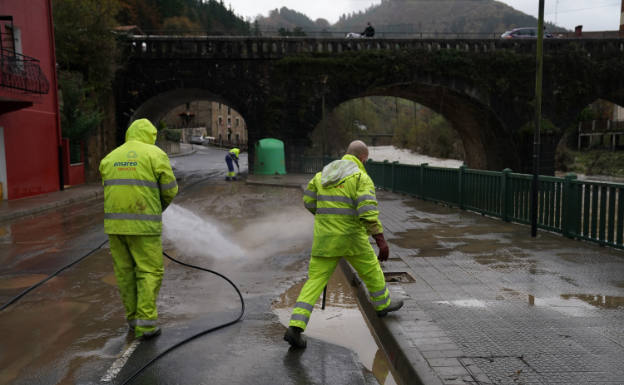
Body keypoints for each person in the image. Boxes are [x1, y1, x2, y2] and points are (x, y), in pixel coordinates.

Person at [284, 140, 403, 349]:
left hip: (325, 239)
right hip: (351, 238)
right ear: (363, 158)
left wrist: (325, 219)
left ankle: (295, 327)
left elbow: (309, 201)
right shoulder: (360, 177)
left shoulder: (322, 175)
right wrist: (381, 240)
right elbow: (367, 211)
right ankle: (382, 305)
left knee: (314, 281)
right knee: (371, 269)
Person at [99, 118, 178, 340]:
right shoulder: (155, 155)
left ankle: (133, 320)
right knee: (149, 272)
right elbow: (170, 189)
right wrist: (157, 209)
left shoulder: (110, 157)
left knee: (125, 273)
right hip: (144, 227)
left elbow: (110, 189)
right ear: (150, 135)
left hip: (115, 227)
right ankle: (146, 325)